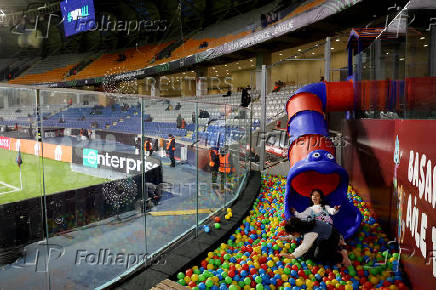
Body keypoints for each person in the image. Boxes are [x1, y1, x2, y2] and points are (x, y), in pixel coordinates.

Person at [278, 217, 351, 266]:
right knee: (306, 255)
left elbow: (304, 247)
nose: (292, 235)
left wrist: (291, 255)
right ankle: (337, 244)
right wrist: (286, 238)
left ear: (297, 231)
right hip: (324, 235)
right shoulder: (302, 224)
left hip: (331, 238)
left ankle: (341, 256)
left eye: (292, 233)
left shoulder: (309, 234)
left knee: (318, 257)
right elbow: (297, 234)